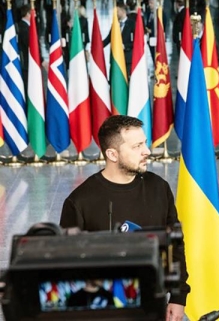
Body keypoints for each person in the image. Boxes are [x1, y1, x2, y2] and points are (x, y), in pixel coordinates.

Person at [60, 115, 189, 321]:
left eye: (145, 143)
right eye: (137, 146)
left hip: (153, 303)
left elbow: (175, 247)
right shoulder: (79, 201)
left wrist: (178, 297)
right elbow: (67, 265)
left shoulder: (159, 188)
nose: (147, 151)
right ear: (113, 154)